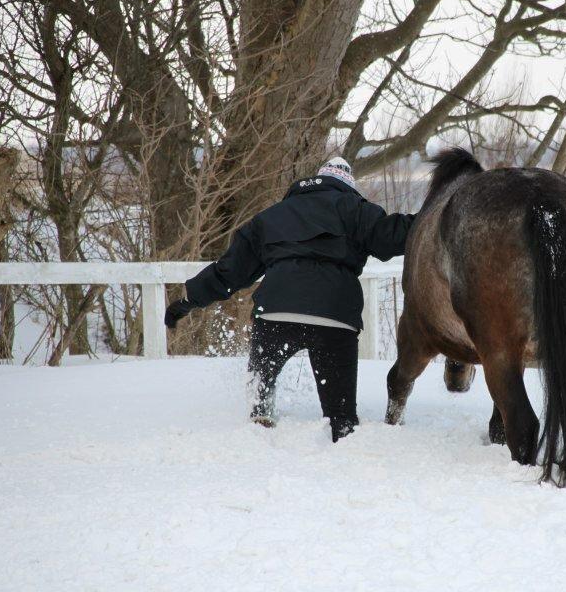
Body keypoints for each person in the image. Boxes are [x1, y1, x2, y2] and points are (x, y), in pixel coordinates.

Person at [164, 157, 415, 442]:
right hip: (334, 317)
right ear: (348, 187)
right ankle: (341, 440)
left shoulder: (273, 216)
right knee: (341, 418)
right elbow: (396, 234)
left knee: (261, 392)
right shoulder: (358, 211)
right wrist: (440, 215)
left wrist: (187, 300)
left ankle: (261, 421)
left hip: (275, 314)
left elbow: (229, 272)